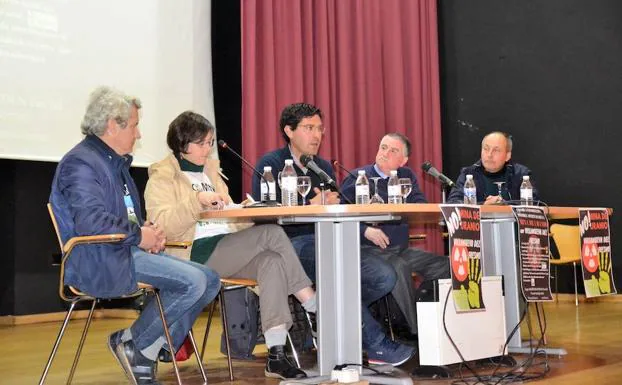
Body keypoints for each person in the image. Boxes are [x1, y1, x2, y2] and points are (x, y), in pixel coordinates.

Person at [49, 86, 220, 385]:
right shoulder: (82, 163)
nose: (139, 134)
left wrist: (150, 233)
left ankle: (141, 346)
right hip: (98, 256)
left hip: (124, 250)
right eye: (135, 125)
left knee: (211, 279)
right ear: (113, 125)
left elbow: (125, 217)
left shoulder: (114, 163)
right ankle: (136, 346)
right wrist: (140, 235)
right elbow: (91, 222)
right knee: (193, 282)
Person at [144, 111, 316, 380]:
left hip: (225, 249)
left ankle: (276, 354)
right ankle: (313, 305)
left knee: (271, 262)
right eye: (201, 143)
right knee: (271, 234)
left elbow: (225, 218)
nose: (207, 149)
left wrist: (244, 211)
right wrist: (197, 200)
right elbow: (162, 225)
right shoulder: (162, 176)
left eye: (210, 142)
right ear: (182, 144)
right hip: (191, 255)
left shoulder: (212, 172)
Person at [253, 103, 415, 367]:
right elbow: (263, 215)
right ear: (289, 131)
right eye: (309, 128)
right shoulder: (270, 165)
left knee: (384, 275)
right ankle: (376, 345)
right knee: (341, 276)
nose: (316, 135)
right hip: (287, 244)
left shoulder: (322, 167)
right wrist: (309, 208)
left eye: (319, 128)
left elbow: (339, 208)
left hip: (327, 239)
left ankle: (330, 315)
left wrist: (356, 220)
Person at [340, 133, 451, 336]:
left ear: (404, 160)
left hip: (398, 249)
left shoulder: (406, 176)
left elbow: (421, 206)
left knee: (446, 266)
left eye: (393, 151)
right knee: (399, 267)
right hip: (368, 251)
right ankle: (414, 334)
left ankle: (426, 316)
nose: (385, 153)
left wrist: (400, 201)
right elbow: (338, 216)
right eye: (383, 147)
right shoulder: (358, 177)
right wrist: (365, 230)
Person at [447, 131, 539, 204]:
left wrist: (505, 206)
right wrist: (484, 207)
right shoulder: (468, 174)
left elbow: (534, 205)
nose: (489, 155)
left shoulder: (521, 174)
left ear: (507, 156)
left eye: (496, 150)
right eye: (486, 149)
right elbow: (453, 204)